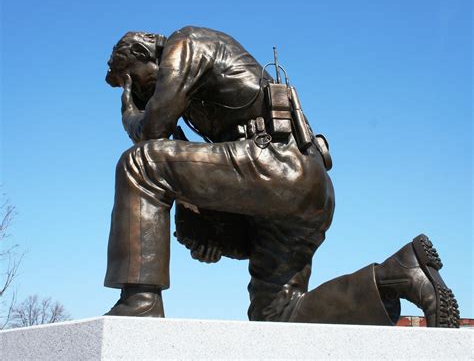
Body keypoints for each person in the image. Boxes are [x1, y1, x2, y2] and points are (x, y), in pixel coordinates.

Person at [103, 26, 459, 327]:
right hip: (302, 187)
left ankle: (141, 302)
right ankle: (396, 276)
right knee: (277, 315)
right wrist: (209, 232)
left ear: (141, 49)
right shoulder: (192, 95)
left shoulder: (185, 43)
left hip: (274, 161)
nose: (137, 93)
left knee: (141, 163)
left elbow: (152, 132)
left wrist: (129, 113)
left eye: (134, 81)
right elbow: (194, 175)